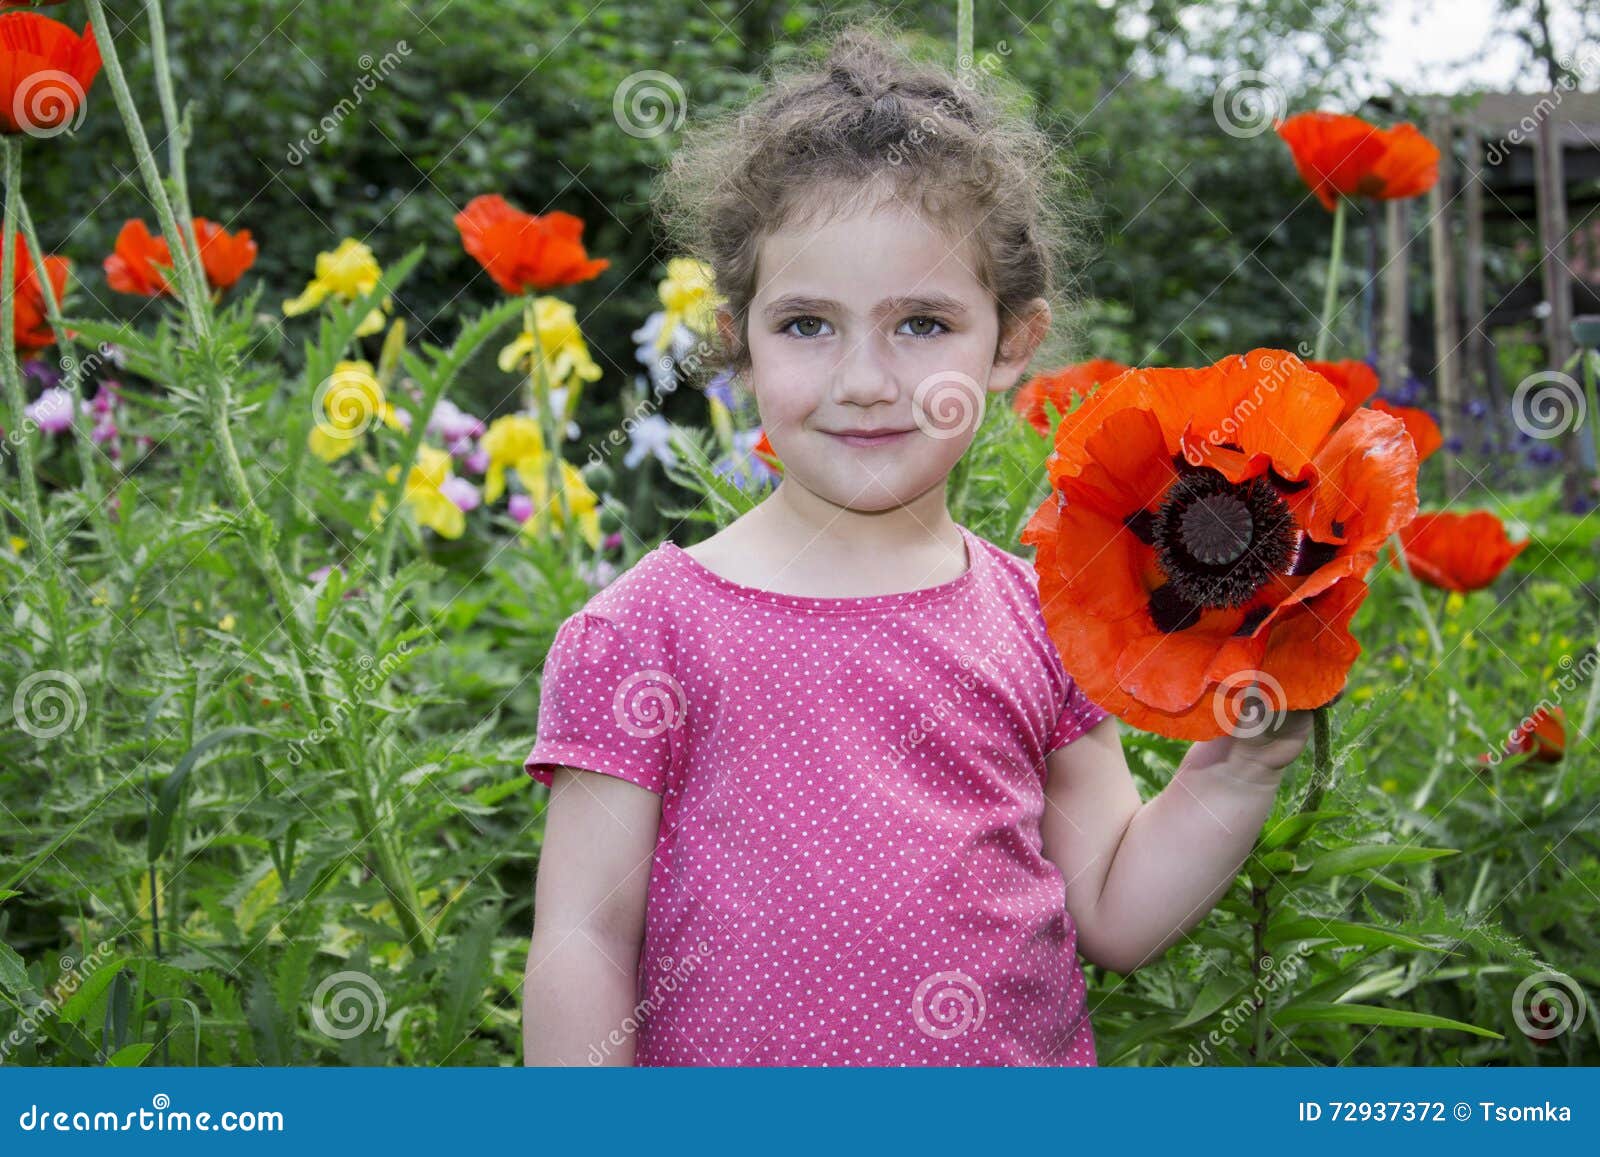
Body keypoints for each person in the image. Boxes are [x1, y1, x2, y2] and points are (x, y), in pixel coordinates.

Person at [521, 19, 1312, 1067]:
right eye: (806, 323)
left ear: (1011, 344)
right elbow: (582, 936)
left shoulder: (1047, 616)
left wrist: (1231, 776)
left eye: (922, 323)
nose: (864, 380)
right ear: (739, 343)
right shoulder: (643, 631)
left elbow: (1116, 909)